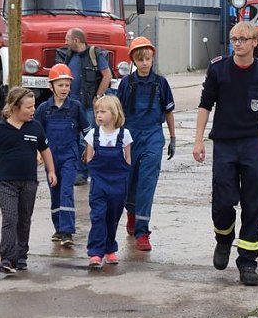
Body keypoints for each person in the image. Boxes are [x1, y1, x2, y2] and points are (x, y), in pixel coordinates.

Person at [192, 21, 258, 287]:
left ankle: (247, 262)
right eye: (234, 38)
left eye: (243, 39)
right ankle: (223, 239)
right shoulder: (218, 69)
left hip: (252, 144)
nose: (237, 43)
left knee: (254, 202)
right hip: (224, 144)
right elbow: (204, 104)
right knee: (223, 201)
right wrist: (198, 140)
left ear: (255, 43)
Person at [0, 87, 57, 274]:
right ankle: (6, 259)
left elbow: (45, 150)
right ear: (14, 107)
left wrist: (51, 170)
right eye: (28, 107)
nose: (32, 110)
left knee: (24, 220)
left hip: (29, 182)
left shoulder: (35, 127)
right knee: (10, 218)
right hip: (6, 182)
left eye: (33, 106)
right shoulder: (0, 129)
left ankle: (21, 256)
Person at [117, 37, 176, 251]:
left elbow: (168, 111)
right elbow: (118, 113)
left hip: (153, 136)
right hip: (130, 137)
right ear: (133, 59)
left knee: (147, 183)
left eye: (148, 59)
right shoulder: (126, 83)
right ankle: (132, 215)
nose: (144, 63)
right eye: (140, 59)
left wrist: (172, 138)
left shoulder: (161, 83)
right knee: (129, 182)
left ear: (152, 58)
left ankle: (143, 232)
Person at [35, 64, 89, 248]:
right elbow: (37, 133)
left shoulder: (75, 107)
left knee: (66, 190)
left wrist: (90, 149)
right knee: (55, 192)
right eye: (60, 85)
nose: (64, 88)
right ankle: (58, 228)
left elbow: (87, 130)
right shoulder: (43, 109)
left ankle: (67, 231)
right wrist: (37, 152)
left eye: (67, 85)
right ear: (51, 86)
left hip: (70, 156)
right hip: (50, 158)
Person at [55, 27, 112, 185]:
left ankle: (83, 172)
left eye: (67, 38)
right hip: (71, 106)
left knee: (85, 139)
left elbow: (107, 75)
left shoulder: (95, 54)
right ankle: (77, 170)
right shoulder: (68, 55)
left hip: (88, 106)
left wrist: (98, 97)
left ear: (76, 40)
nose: (64, 42)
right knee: (72, 139)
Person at [84, 95, 132, 268]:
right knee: (98, 216)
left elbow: (128, 159)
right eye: (97, 112)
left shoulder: (124, 134)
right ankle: (95, 253)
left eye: (103, 111)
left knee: (112, 217)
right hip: (99, 184)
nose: (98, 115)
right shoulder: (93, 134)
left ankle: (110, 248)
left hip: (118, 184)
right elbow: (89, 159)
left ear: (114, 113)